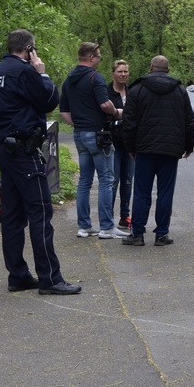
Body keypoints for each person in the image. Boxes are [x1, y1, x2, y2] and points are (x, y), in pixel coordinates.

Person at [0, 29, 81, 295]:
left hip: (3, 148)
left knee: (12, 217)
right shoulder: (25, 72)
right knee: (40, 213)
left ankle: (18, 275)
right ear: (29, 50)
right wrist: (42, 73)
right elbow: (49, 101)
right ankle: (50, 279)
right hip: (24, 152)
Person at [121, 55, 194, 246]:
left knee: (141, 192)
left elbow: (129, 122)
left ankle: (137, 234)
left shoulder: (137, 90)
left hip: (144, 149)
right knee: (165, 192)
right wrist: (188, 146)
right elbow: (188, 122)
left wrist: (130, 147)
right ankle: (162, 234)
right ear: (167, 70)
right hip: (170, 150)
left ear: (151, 68)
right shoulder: (180, 91)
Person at [59, 42, 126, 239]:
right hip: (98, 135)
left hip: (80, 135)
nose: (99, 60)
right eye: (99, 57)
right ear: (90, 58)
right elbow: (105, 104)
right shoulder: (94, 77)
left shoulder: (69, 79)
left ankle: (84, 226)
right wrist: (116, 112)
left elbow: (63, 112)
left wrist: (78, 124)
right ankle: (106, 227)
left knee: (84, 181)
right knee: (106, 180)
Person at [108, 60, 134, 232]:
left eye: (125, 72)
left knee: (127, 181)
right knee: (113, 180)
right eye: (120, 71)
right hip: (113, 142)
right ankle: (108, 216)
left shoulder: (132, 92)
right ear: (113, 73)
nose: (123, 74)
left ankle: (125, 216)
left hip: (130, 143)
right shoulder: (106, 91)